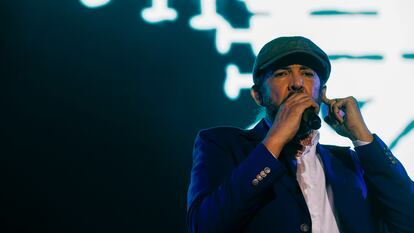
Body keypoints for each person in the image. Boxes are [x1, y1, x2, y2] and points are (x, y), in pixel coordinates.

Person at [186, 36, 414, 233]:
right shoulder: (223, 145)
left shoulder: (348, 163)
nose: (297, 83)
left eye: (307, 73)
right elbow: (205, 226)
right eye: (282, 74)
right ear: (258, 95)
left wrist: (363, 137)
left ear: (322, 93)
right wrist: (275, 139)